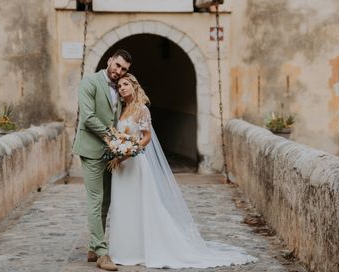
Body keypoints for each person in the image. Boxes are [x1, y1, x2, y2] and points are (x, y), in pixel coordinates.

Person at [109, 73, 256, 268]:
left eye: (125, 84)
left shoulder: (141, 110)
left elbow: (146, 137)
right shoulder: (123, 110)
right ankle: (125, 249)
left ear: (134, 86)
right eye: (119, 86)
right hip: (121, 166)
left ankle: (145, 248)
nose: (122, 88)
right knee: (124, 205)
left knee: (140, 204)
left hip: (135, 163)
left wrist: (128, 152)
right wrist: (117, 151)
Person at [73, 49, 132, 272]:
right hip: (90, 149)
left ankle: (92, 246)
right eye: (117, 66)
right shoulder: (89, 81)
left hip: (110, 152)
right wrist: (112, 137)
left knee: (107, 199)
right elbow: (88, 118)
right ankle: (101, 251)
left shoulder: (120, 87)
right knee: (96, 198)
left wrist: (122, 143)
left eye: (124, 69)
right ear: (109, 61)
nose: (119, 71)